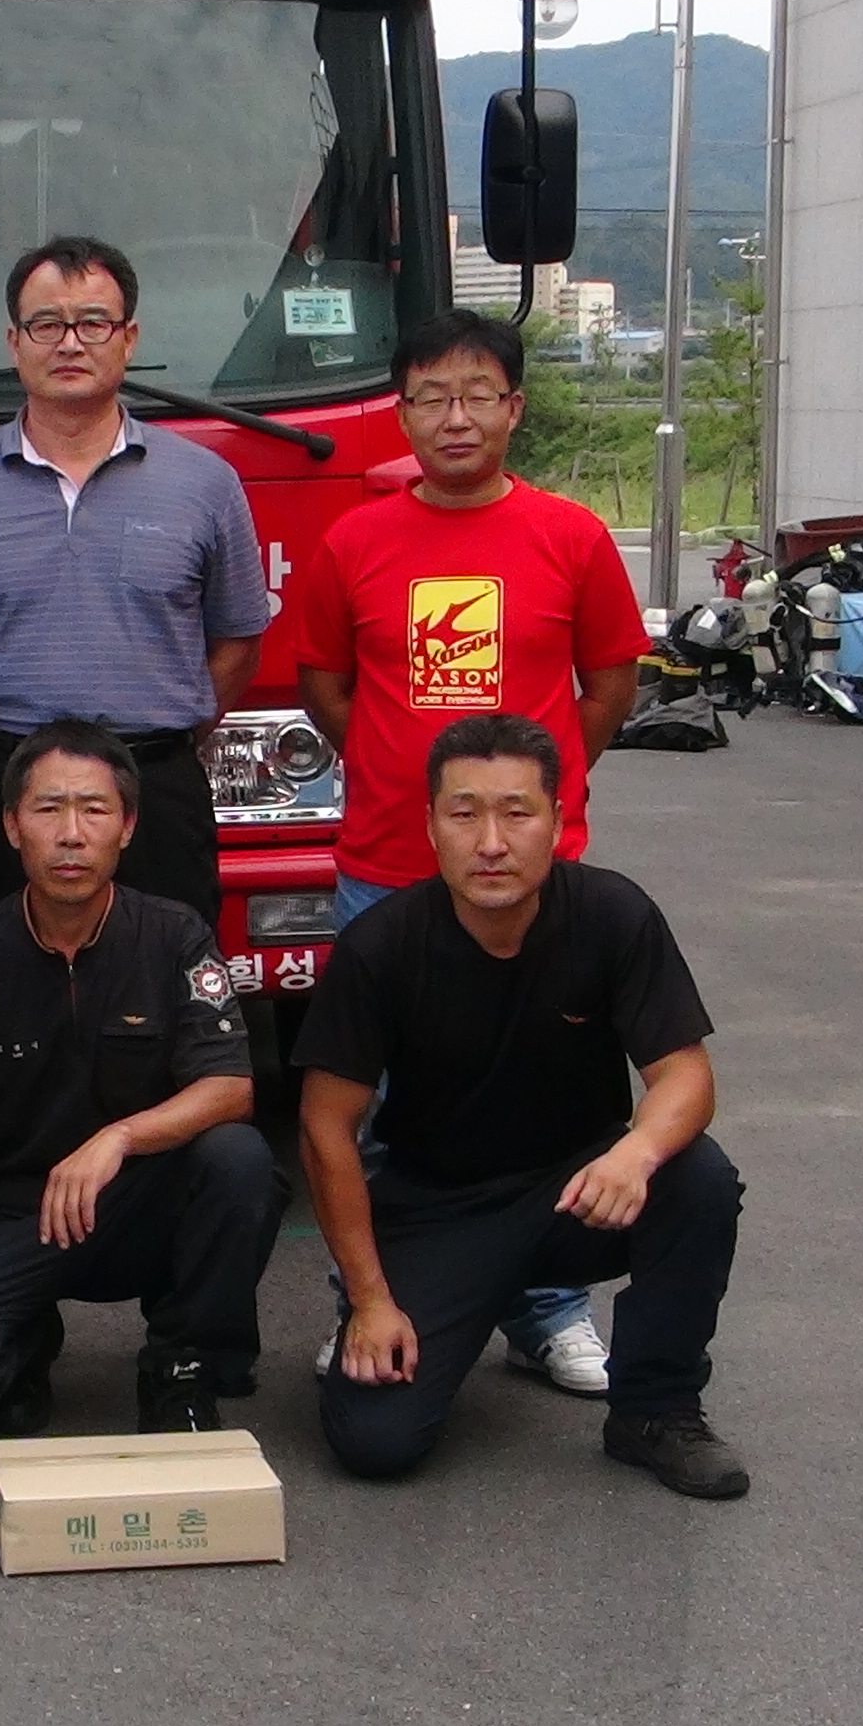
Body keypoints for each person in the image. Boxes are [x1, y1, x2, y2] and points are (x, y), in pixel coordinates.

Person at [288, 306, 652, 1398]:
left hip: (533, 883)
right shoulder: (354, 542)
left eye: (477, 395)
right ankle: (369, 1303)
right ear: (401, 414)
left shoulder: (571, 537)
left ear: (514, 409)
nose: (455, 417)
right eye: (431, 398)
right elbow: (324, 686)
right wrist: (397, 773)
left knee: (542, 1108)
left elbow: (609, 686)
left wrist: (540, 796)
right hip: (384, 868)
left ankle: (547, 1312)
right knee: (377, 1110)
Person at [295, 714, 751, 1498]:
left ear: (558, 821)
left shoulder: (612, 915)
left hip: (576, 1193)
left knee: (697, 1178)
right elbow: (323, 1126)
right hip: (439, 1209)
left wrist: (634, 1154)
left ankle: (656, 1410)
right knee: (376, 1441)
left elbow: (685, 1076)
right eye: (464, 814)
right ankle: (430, 1316)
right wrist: (369, 1300)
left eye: (516, 813)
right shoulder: (381, 947)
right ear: (430, 825)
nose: (491, 842)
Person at [0, 720, 279, 1437]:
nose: (71, 835)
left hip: (135, 1200)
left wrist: (119, 1139)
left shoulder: (175, 936)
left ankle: (183, 1364)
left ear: (127, 827)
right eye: (48, 809)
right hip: (8, 1213)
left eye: (94, 810)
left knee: (238, 1160)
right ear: (11, 826)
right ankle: (25, 1343)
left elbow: (231, 1087)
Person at [0, 235, 272, 921]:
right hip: (1, 794)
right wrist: (0, 749)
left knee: (163, 977)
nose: (70, 343)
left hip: (155, 795)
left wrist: (156, 743)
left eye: (93, 323)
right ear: (14, 342)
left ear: (128, 339)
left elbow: (238, 642)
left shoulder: (206, 484)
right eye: (47, 324)